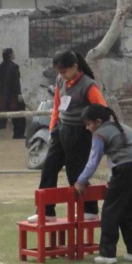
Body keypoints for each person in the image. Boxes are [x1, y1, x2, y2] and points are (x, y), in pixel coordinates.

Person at [27, 50, 106, 222]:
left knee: (76, 172)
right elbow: (57, 105)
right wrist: (53, 128)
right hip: (60, 129)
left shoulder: (88, 86)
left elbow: (102, 109)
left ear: (75, 67)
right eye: (59, 72)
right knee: (49, 168)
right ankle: (46, 211)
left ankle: (90, 209)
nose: (61, 75)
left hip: (80, 133)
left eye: (64, 71)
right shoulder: (60, 81)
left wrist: (98, 133)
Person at [74, 105, 132, 264]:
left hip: (126, 169)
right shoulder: (122, 127)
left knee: (110, 211)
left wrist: (80, 181)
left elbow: (93, 162)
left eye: (88, 124)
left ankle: (107, 253)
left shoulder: (99, 134)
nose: (88, 128)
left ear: (97, 122)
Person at [0, 48, 25, 140]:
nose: (14, 54)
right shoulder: (14, 67)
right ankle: (18, 134)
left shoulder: (1, 66)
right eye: (13, 53)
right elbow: (16, 82)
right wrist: (19, 93)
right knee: (19, 113)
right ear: (10, 55)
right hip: (12, 95)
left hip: (2, 94)